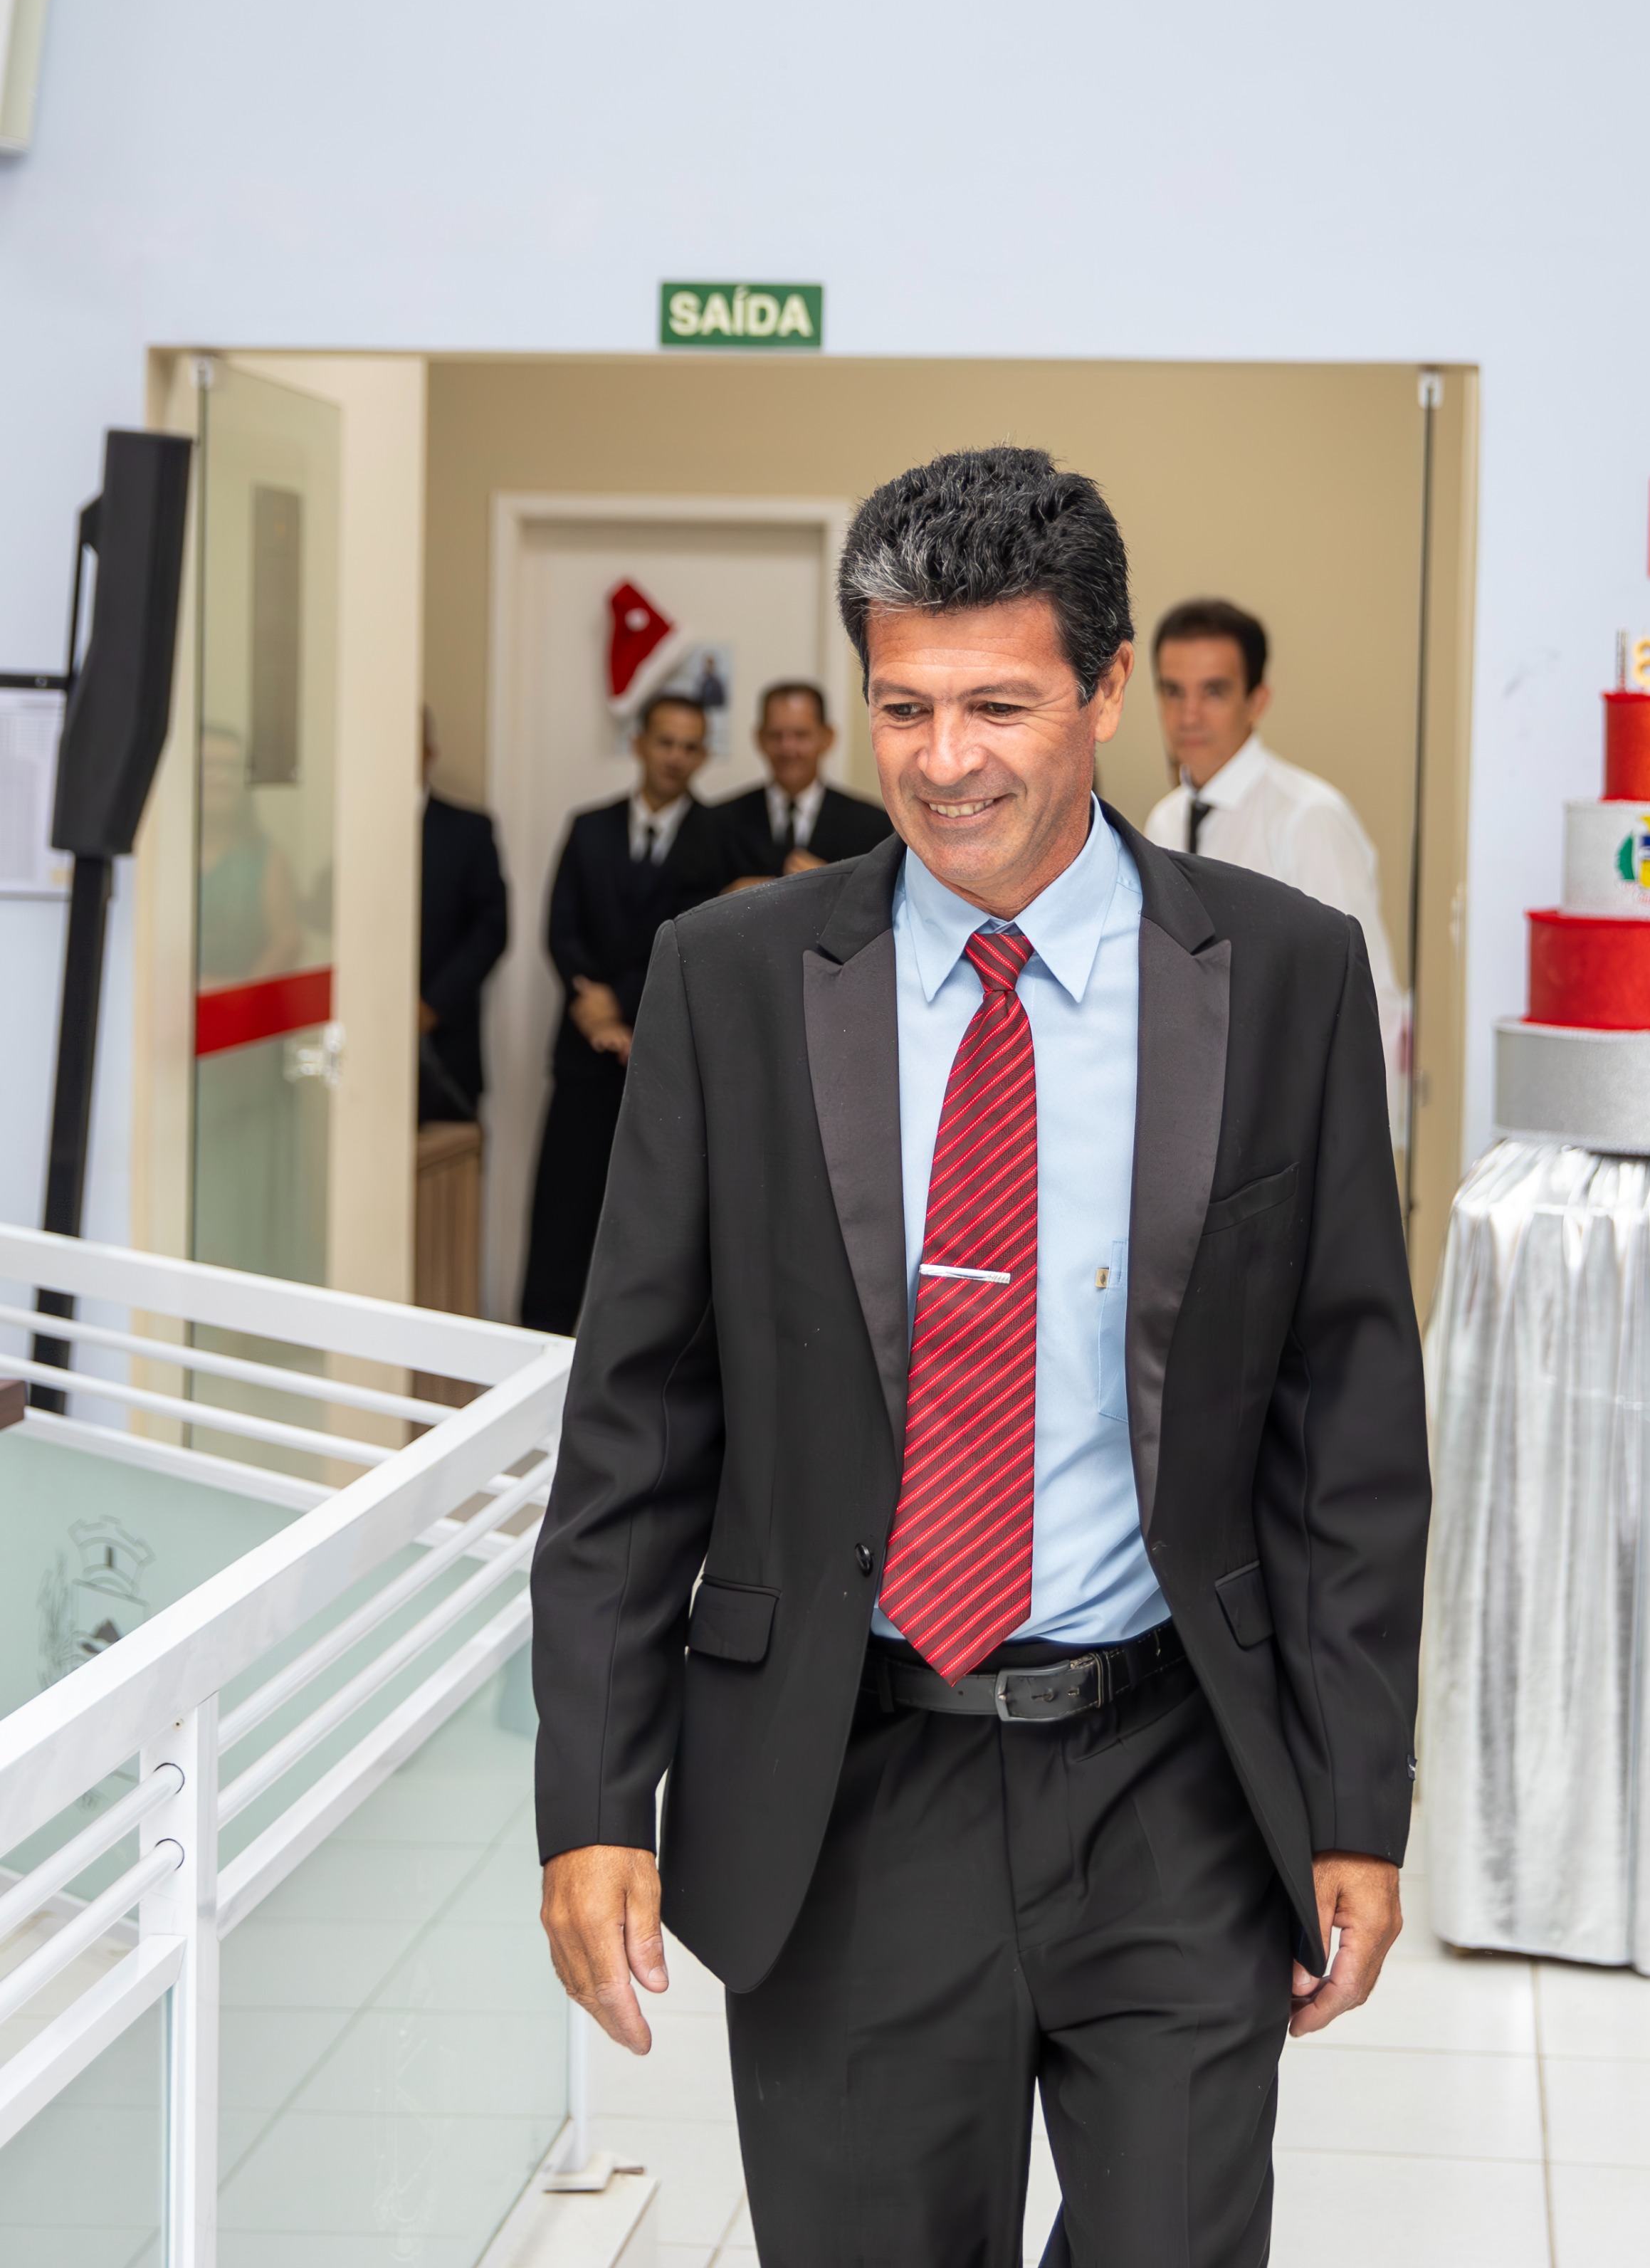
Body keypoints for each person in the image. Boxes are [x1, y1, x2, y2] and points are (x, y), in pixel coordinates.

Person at [532, 448, 1429, 2267]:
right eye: (904, 706)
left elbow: (1344, 1420)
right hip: (842, 1785)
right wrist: (593, 1798)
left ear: (1105, 690)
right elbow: (636, 1419)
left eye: (998, 705)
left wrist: (1356, 1799)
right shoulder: (730, 978)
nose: (943, 761)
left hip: (1171, 1769)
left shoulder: (1281, 975)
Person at [1145, 598, 1409, 1145]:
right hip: (1195, 1122)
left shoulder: (1307, 817)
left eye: (1213, 691)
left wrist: (1358, 1151)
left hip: (1288, 1126)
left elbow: (1368, 1000)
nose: (1188, 715)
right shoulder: (1164, 820)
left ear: (1256, 700)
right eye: (1173, 691)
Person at [516, 691, 714, 1334]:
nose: (676, 757)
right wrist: (592, 1009)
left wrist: (620, 1005)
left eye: (690, 747)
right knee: (562, 1216)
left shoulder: (719, 838)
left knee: (657, 1227)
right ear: (639, 744)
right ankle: (540, 1353)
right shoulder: (589, 827)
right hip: (582, 1057)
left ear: (703, 756)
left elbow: (695, 938)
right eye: (666, 742)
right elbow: (560, 930)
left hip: (669, 1059)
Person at [688, 678, 892, 892]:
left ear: (827, 738)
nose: (788, 748)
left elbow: (881, 903)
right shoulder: (718, 823)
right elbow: (689, 902)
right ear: (759, 739)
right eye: (776, 735)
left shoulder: (871, 825)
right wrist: (725, 899)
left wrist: (833, 885)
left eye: (801, 735)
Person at [418, 710, 510, 1124]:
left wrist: (432, 1005)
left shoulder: (468, 830)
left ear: (429, 751)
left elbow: (492, 929)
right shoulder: (351, 828)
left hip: (446, 1044)